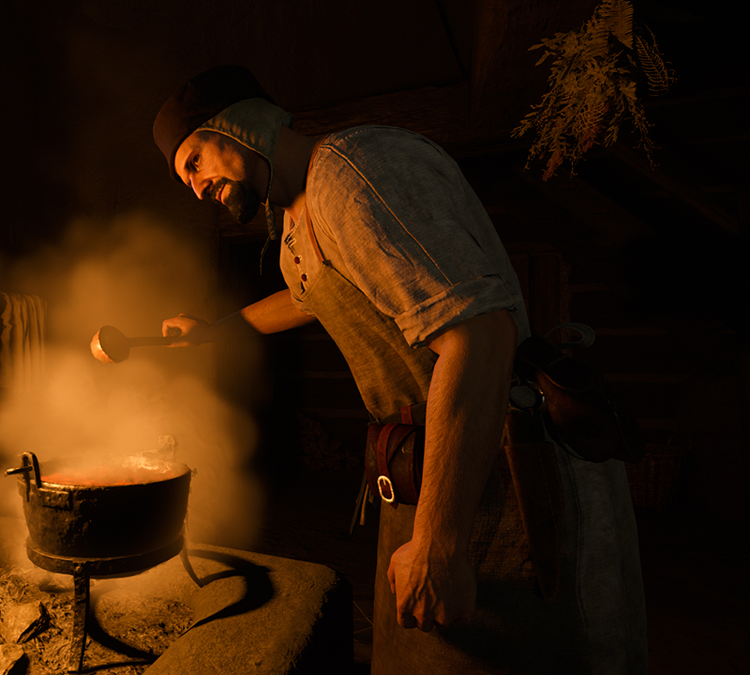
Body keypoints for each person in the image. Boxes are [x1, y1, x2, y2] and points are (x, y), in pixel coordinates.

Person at [152, 65, 646, 674]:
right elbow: (310, 294)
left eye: (195, 162)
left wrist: (441, 544)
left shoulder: (357, 172)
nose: (196, 187)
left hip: (502, 465)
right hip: (423, 462)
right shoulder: (297, 221)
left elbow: (480, 333)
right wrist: (217, 332)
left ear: (235, 126)